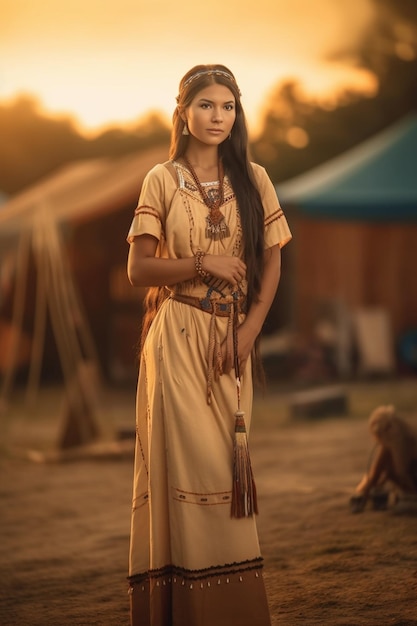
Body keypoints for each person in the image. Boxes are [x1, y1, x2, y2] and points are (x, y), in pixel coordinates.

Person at [126, 63, 292, 626]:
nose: (217, 117)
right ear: (183, 111)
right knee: (187, 475)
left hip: (231, 335)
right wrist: (202, 262)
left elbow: (273, 263)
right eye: (205, 105)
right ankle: (186, 610)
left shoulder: (254, 178)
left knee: (227, 471)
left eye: (227, 106)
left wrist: (249, 331)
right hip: (175, 336)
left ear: (236, 113)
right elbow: (137, 268)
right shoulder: (161, 179)